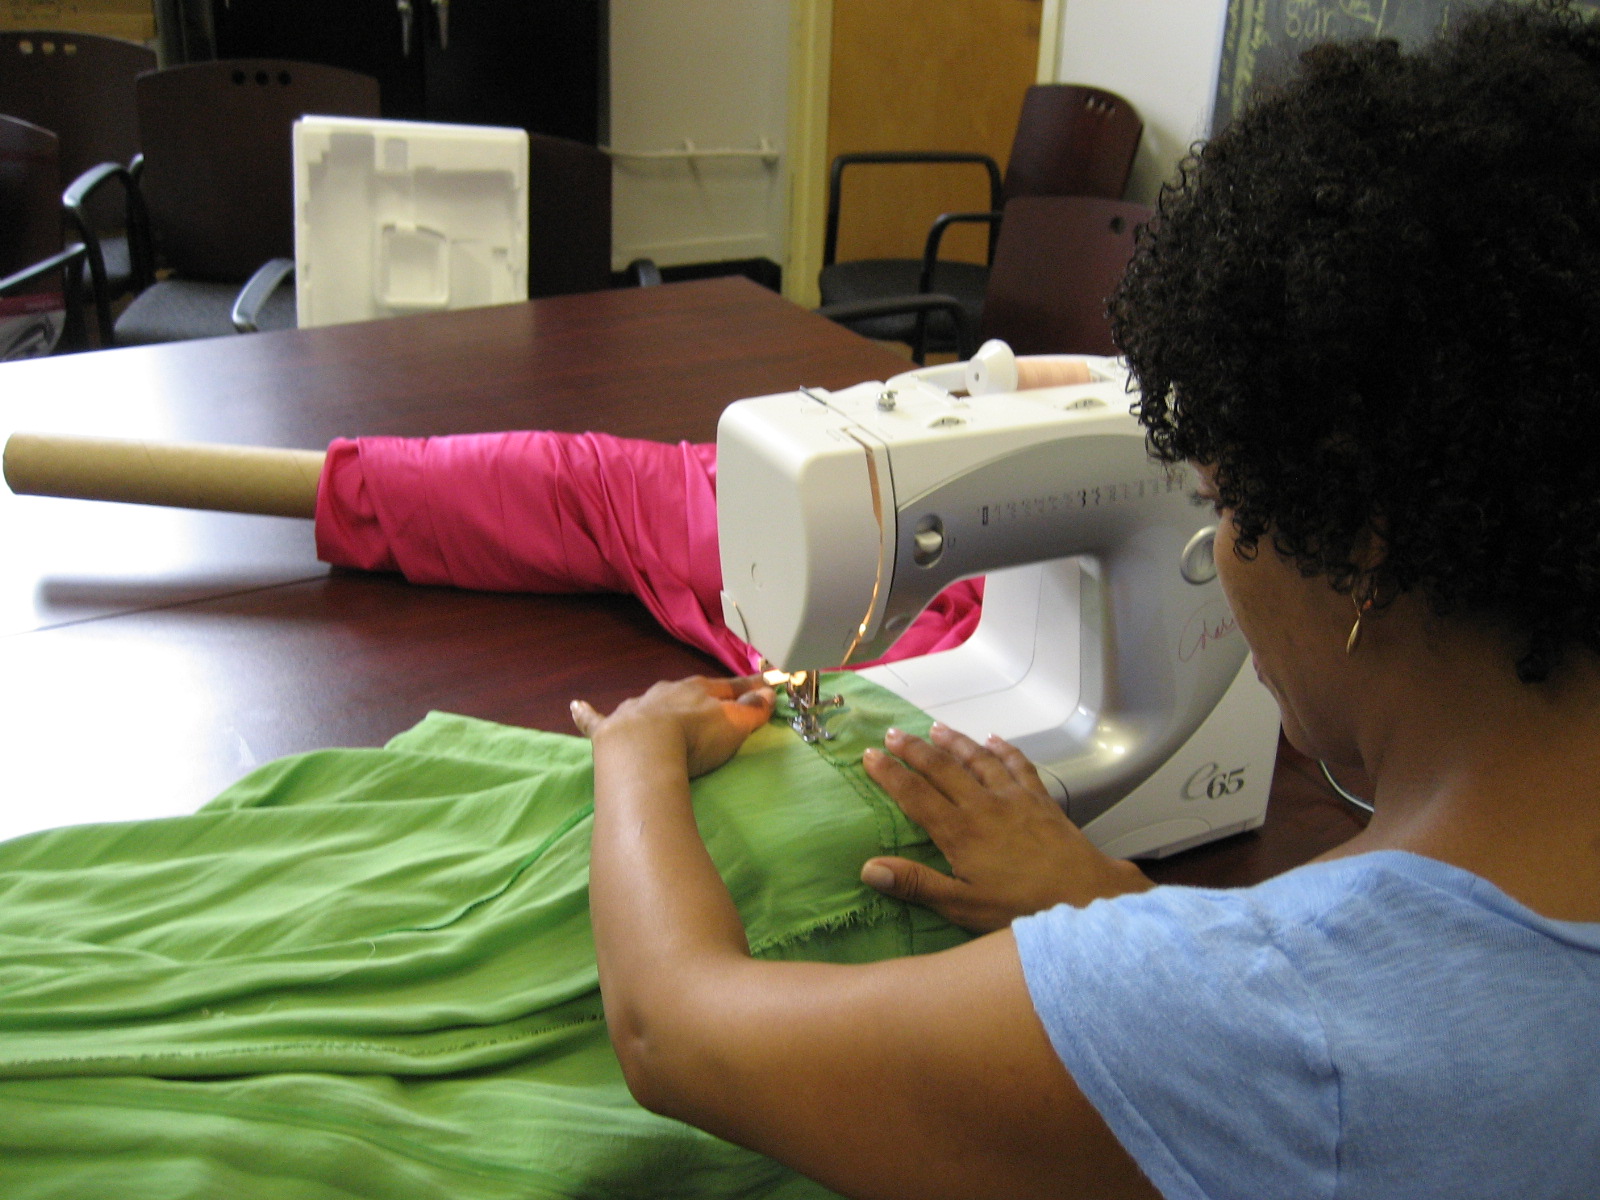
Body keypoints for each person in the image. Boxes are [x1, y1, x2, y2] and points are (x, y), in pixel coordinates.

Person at [569, 3, 1600, 1197]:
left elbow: (675, 1034)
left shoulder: (1273, 1025)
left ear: (1359, 540)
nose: (1216, 542)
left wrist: (636, 758)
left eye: (1219, 500)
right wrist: (1107, 899)